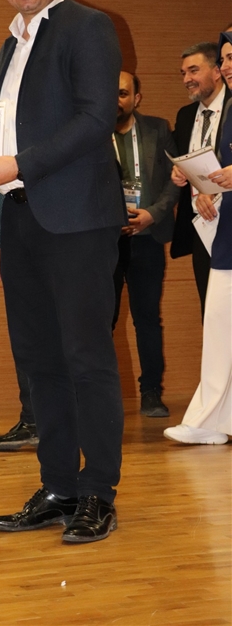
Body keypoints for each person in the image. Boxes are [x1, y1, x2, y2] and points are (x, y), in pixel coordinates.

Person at [0, 0, 125, 544]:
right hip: (23, 221)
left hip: (79, 220)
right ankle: (58, 486)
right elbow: (1, 138)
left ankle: (98, 492)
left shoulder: (89, 26)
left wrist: (21, 166)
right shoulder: (10, 45)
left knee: (87, 359)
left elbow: (96, 117)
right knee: (39, 363)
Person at [164, 31, 232, 445]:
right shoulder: (193, 114)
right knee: (218, 321)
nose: (227, 66)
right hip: (214, 231)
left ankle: (210, 420)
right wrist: (189, 180)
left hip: (225, 226)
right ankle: (211, 420)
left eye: (230, 58)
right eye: (224, 58)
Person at [112, 72, 180, 417]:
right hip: (105, 243)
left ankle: (151, 392)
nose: (115, 100)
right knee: (101, 322)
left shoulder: (158, 128)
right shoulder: (91, 133)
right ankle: (102, 397)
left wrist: (153, 214)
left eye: (123, 93)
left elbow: (176, 179)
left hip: (148, 239)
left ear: (136, 98)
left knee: (148, 320)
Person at [170, 42, 230, 318]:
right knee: (211, 313)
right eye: (183, 73)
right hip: (201, 227)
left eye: (194, 70)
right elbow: (185, 160)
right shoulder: (185, 116)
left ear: (217, 71)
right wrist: (178, 171)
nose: (187, 79)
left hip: (228, 221)